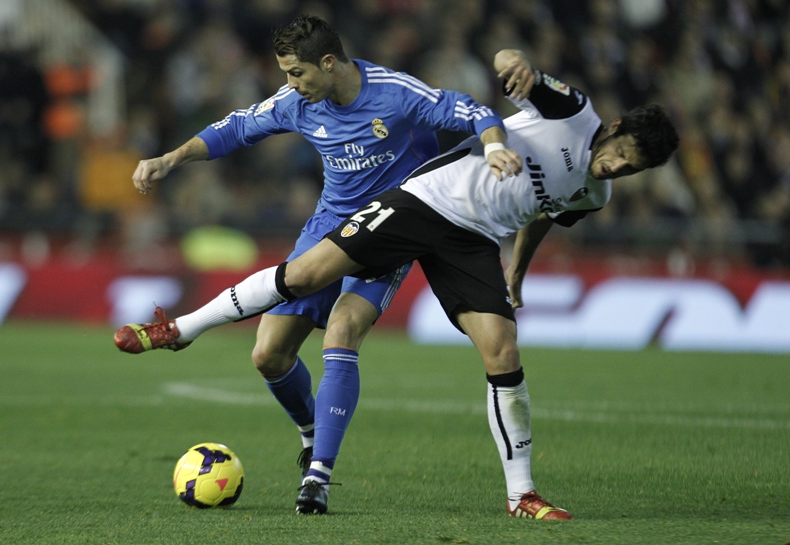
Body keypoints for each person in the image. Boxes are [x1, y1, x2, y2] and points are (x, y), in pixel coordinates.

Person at [116, 47, 680, 518]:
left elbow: (542, 219)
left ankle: (521, 494)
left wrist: (517, 272)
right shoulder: (575, 114)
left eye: (632, 169)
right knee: (308, 274)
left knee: (502, 350)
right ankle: (185, 328)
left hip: (474, 240)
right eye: (621, 154)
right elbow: (513, 66)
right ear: (614, 129)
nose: (615, 168)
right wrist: (518, 65)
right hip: (424, 201)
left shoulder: (595, 194)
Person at [117, 16, 521, 514]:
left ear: (329, 63)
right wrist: (169, 160)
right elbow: (237, 128)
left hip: (395, 229)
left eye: (296, 73)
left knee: (342, 331)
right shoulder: (299, 103)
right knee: (268, 355)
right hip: (329, 227)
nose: (290, 85)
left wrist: (495, 146)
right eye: (286, 74)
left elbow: (471, 109)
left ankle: (318, 477)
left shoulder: (394, 93)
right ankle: (311, 432)